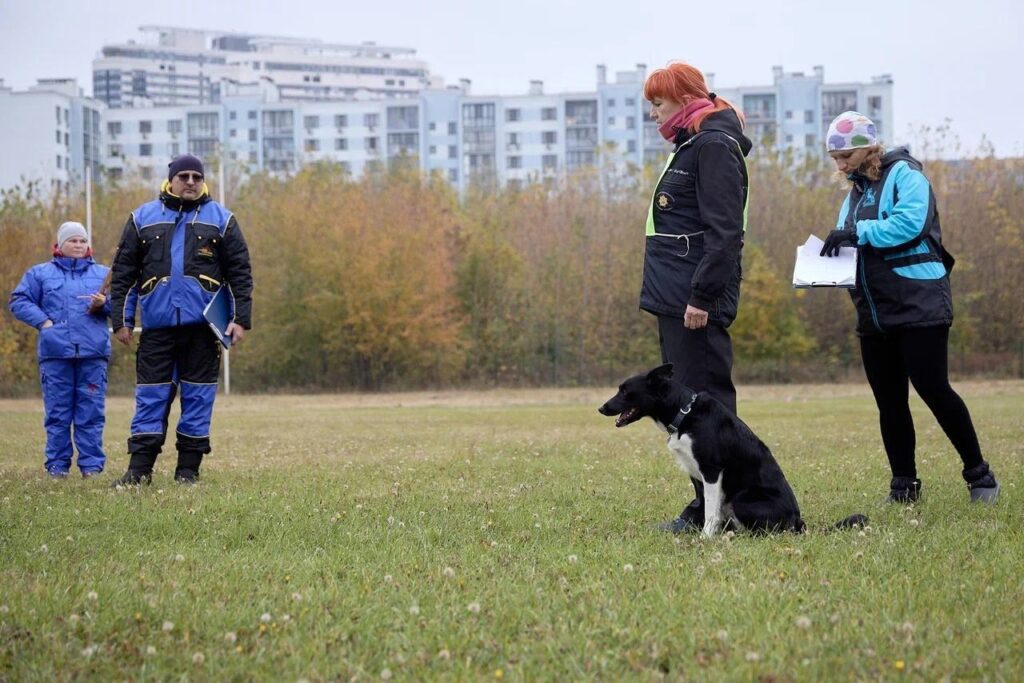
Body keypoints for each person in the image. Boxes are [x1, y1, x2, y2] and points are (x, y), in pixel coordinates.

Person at [820, 111, 999, 504]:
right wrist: (827, 261)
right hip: (874, 311)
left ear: (869, 148)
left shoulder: (907, 176)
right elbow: (851, 242)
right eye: (835, 158)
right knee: (890, 402)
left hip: (919, 305)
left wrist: (856, 232)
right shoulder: (854, 193)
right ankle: (904, 486)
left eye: (846, 155)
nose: (840, 164)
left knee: (934, 389)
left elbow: (910, 224)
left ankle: (980, 477)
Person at [639, 62, 752, 532]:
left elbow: (725, 233)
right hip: (675, 297)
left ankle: (726, 510)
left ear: (686, 100)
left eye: (658, 104)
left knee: (707, 408)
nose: (653, 114)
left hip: (694, 301)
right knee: (687, 409)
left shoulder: (712, 147)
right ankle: (709, 506)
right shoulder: (690, 144)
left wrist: (702, 297)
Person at [108, 154, 253, 486]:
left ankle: (188, 471)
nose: (190, 182)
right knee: (151, 398)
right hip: (157, 332)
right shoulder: (141, 218)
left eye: (196, 177)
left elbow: (241, 275)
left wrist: (240, 319)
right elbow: (124, 277)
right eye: (184, 176)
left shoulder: (223, 219)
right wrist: (122, 320)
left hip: (203, 332)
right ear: (170, 180)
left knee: (198, 399)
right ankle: (139, 471)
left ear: (203, 181)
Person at [9, 222, 111, 478]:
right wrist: (44, 322)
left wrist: (105, 304)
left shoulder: (104, 274)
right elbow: (19, 300)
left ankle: (91, 467)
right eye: (72, 241)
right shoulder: (40, 274)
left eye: (82, 241)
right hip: (55, 356)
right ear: (60, 244)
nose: (78, 245)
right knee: (57, 414)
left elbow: (127, 305)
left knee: (91, 414)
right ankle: (57, 467)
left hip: (92, 354)